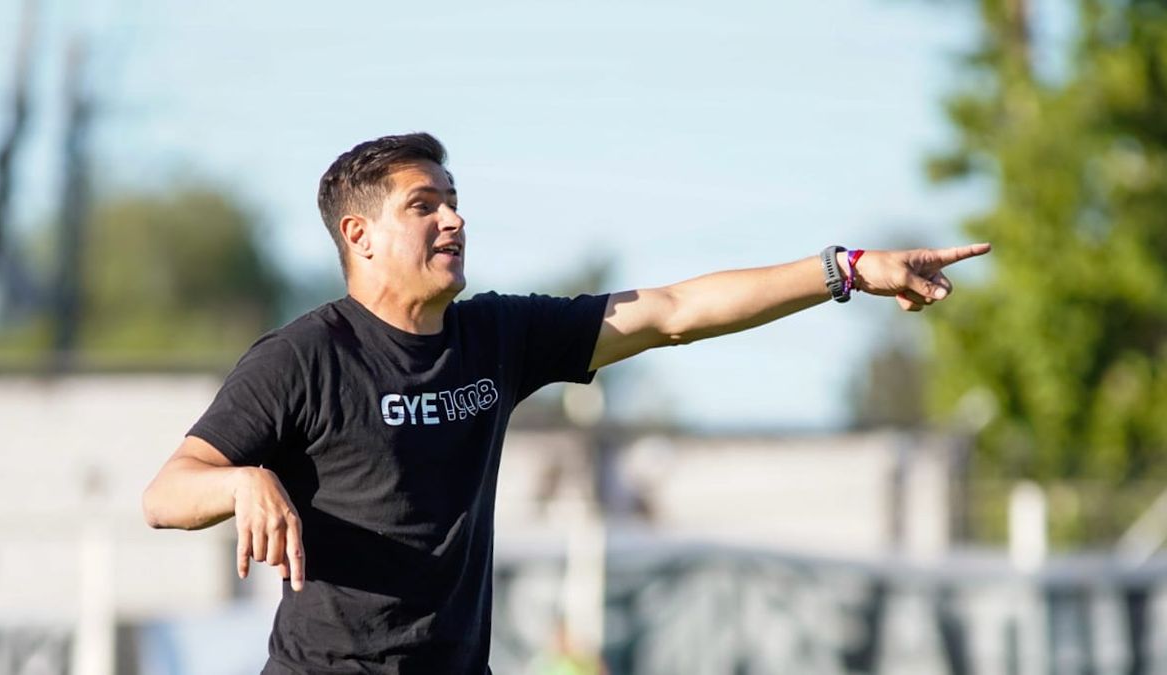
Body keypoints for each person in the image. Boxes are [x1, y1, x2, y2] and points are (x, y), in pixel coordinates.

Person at [141, 132, 990, 674]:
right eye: (423, 204)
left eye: (454, 200)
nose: (454, 219)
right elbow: (166, 492)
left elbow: (670, 313)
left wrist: (843, 269)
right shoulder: (304, 357)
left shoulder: (495, 337)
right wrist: (238, 480)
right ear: (359, 235)